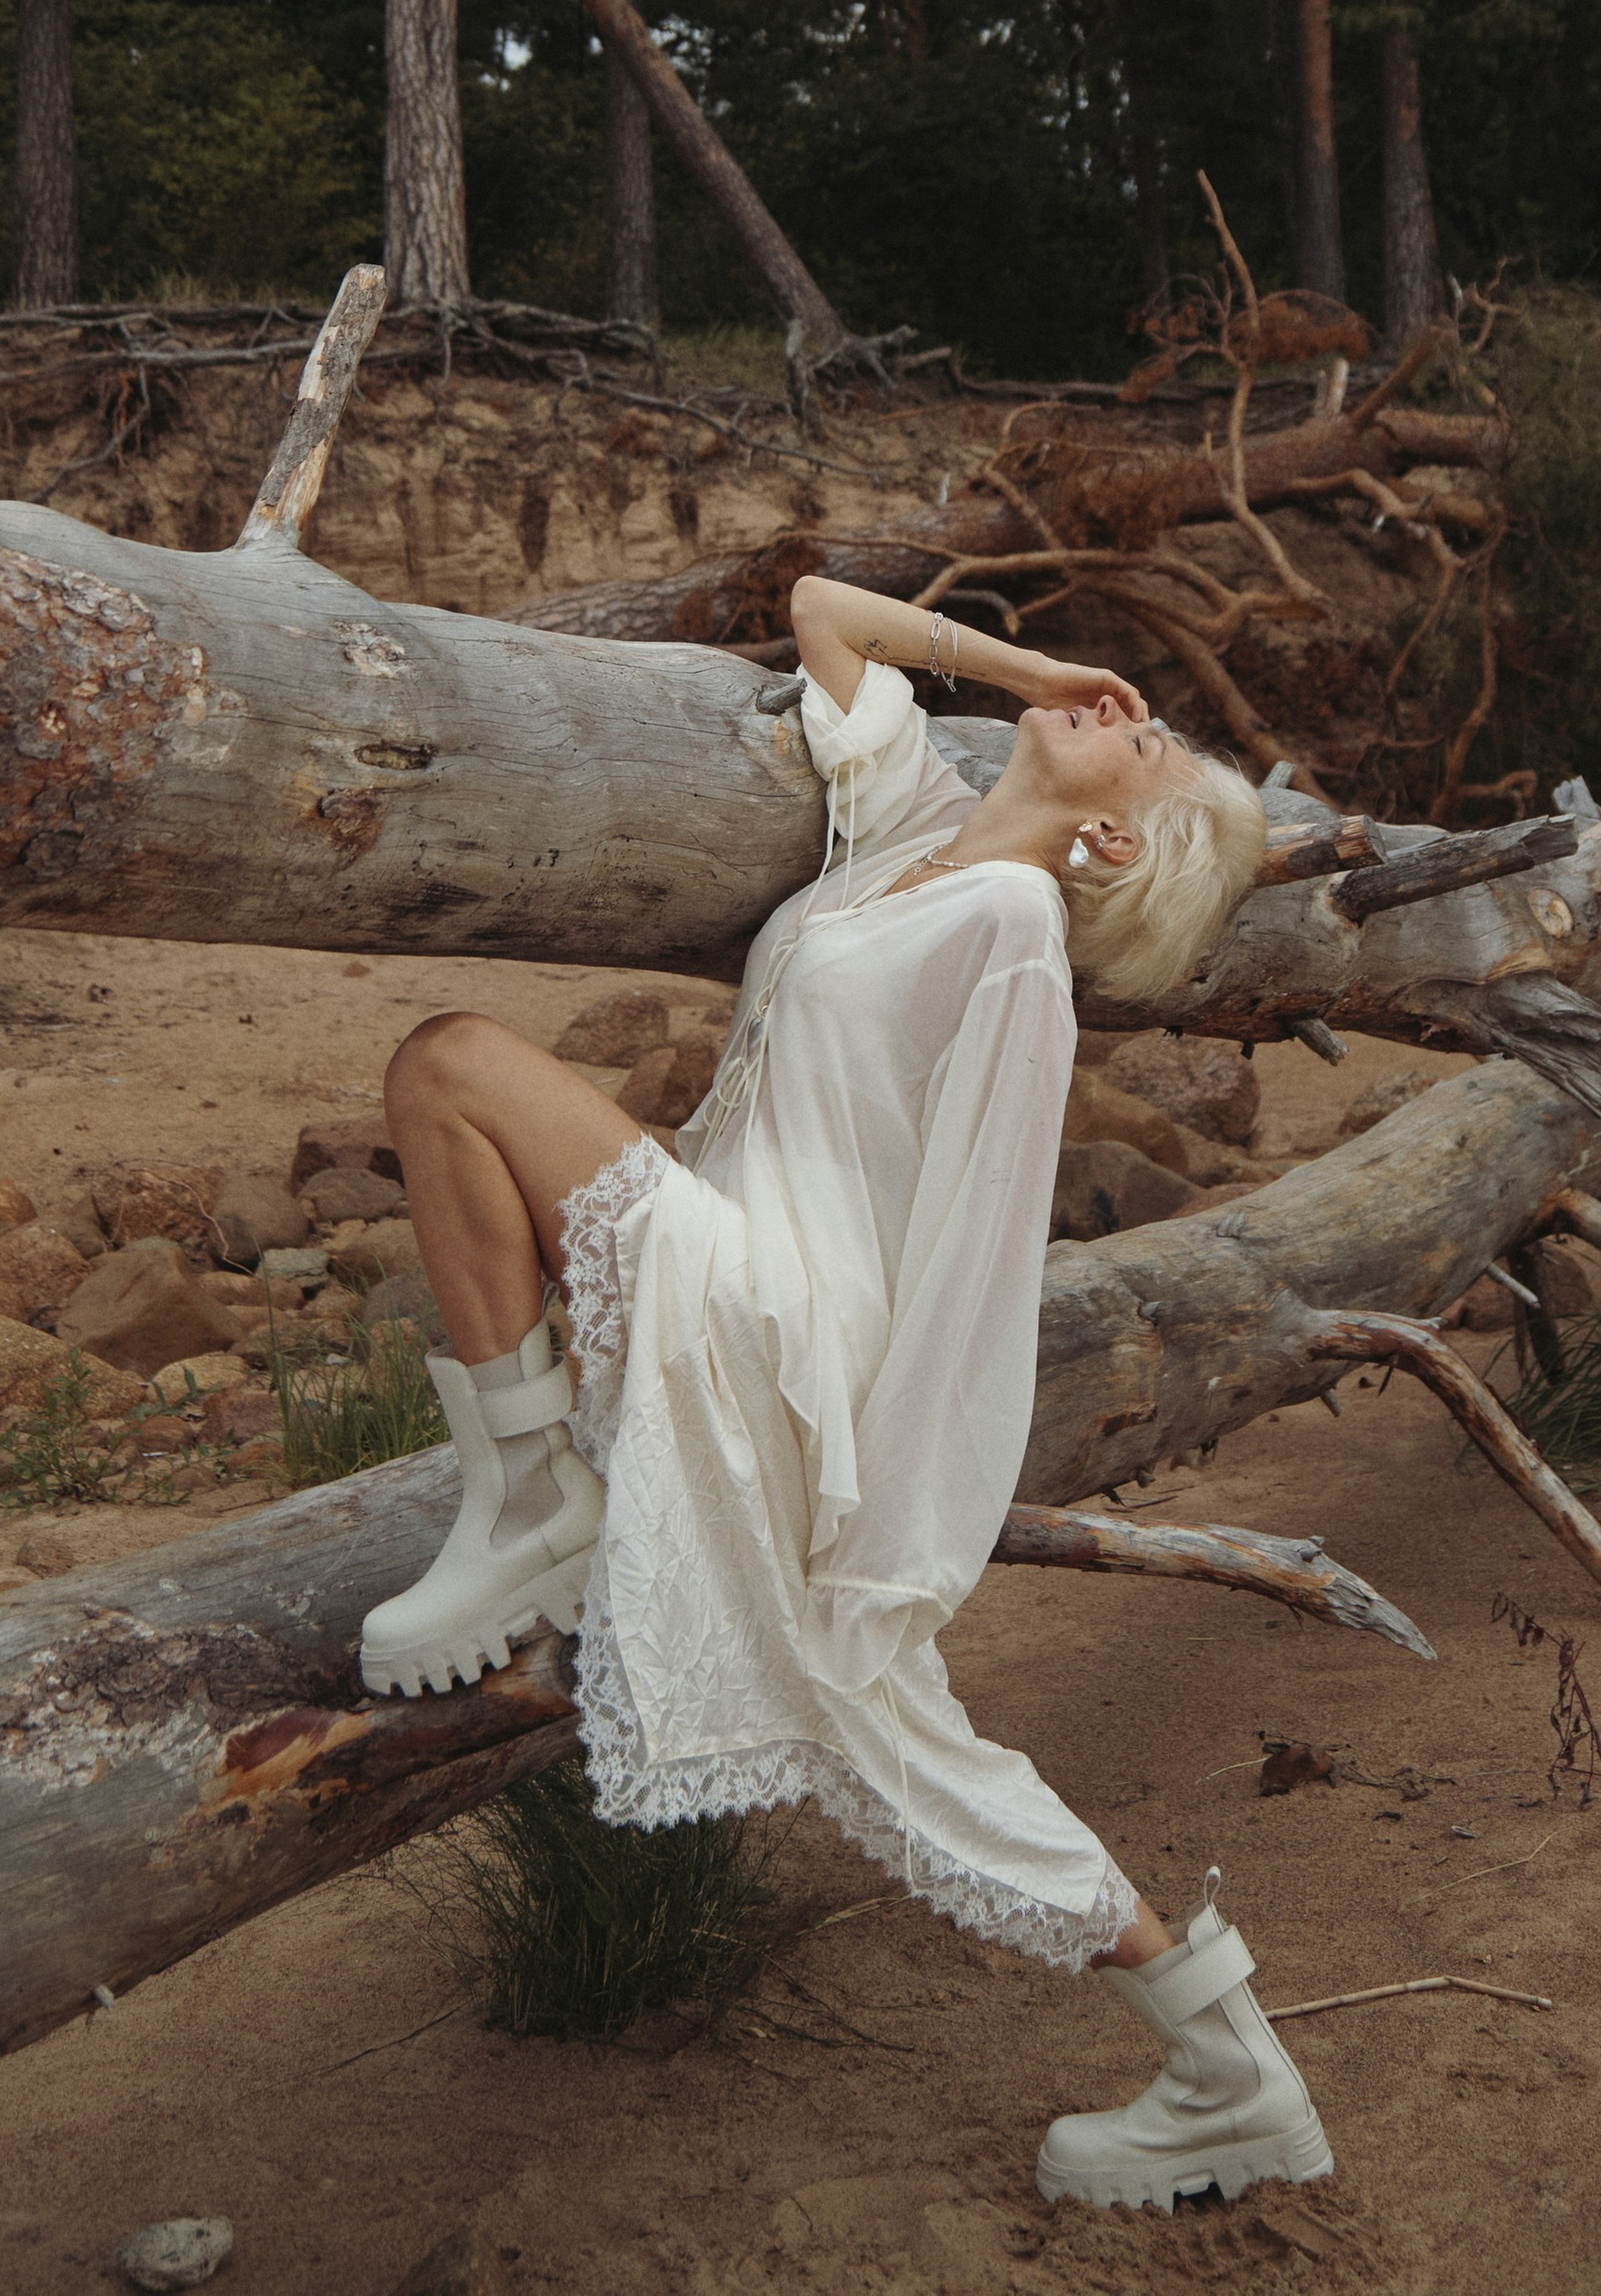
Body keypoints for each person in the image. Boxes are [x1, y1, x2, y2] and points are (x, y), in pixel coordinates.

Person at [357, 572, 1333, 2213]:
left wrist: (886, 1513)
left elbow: (977, 1243)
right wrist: (1031, 661)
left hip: (781, 1314)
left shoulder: (1015, 934)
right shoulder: (915, 829)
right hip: (722, 1241)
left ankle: (532, 1497)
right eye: (1143, 709)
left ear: (1115, 850)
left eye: (1149, 748)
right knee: (902, 1749)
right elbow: (818, 605)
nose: (1127, 711)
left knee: (450, 1061)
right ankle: (1227, 2057)